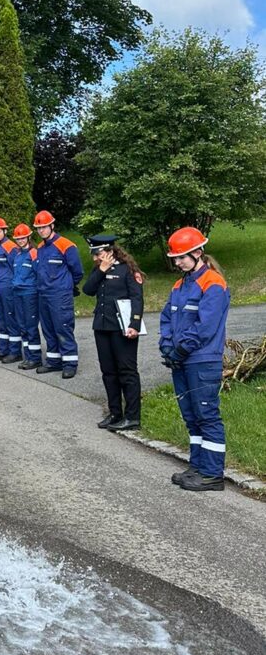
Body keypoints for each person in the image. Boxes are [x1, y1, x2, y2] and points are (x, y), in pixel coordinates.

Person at [159, 227, 229, 492]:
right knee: (191, 416)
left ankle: (212, 474)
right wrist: (167, 346)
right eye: (175, 258)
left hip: (202, 360)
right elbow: (166, 318)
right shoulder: (180, 284)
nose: (177, 263)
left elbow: (205, 326)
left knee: (206, 414)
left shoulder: (213, 283)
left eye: (182, 257)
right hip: (182, 359)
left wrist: (180, 349)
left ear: (198, 252)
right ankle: (198, 466)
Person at [82, 235, 144, 431]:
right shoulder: (99, 269)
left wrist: (134, 324)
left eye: (98, 254)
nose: (95, 258)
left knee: (127, 372)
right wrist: (101, 270)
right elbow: (88, 290)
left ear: (109, 251)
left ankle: (132, 416)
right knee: (109, 373)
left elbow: (137, 298)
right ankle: (115, 412)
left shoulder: (127, 270)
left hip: (122, 328)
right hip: (102, 327)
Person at [33, 210, 84, 378]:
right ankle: (54, 361)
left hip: (59, 295)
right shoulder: (40, 247)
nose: (41, 231)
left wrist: (66, 286)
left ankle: (70, 363)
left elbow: (77, 271)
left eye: (44, 227)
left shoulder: (66, 245)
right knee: (48, 328)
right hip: (43, 294)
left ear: (52, 225)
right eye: (39, 228)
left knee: (63, 327)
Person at [0, 218, 20, 363]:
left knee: (10, 318)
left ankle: (15, 351)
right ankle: (3, 350)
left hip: (8, 287)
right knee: (0, 320)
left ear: (5, 231)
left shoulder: (11, 247)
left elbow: (16, 268)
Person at [10, 223, 42, 369]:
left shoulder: (34, 253)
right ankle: (28, 356)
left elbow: (39, 273)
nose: (21, 240)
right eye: (18, 238)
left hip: (30, 293)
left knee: (30, 325)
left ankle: (35, 358)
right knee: (22, 325)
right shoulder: (17, 255)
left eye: (23, 238)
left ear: (29, 237)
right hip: (18, 293)